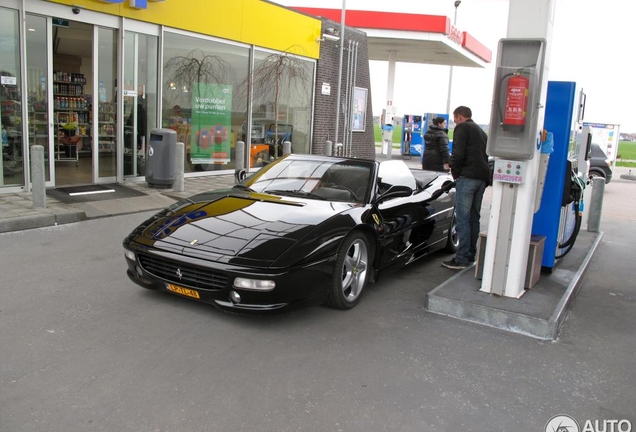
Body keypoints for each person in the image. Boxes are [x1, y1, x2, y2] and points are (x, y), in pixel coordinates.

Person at [442, 106, 490, 270]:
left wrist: (455, 173)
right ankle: (471, 254)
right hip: (482, 178)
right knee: (474, 217)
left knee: (462, 218)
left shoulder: (462, 128)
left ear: (460, 117)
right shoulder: (481, 131)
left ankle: (462, 258)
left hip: (467, 178)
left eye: (455, 119)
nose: (455, 122)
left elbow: (458, 153)